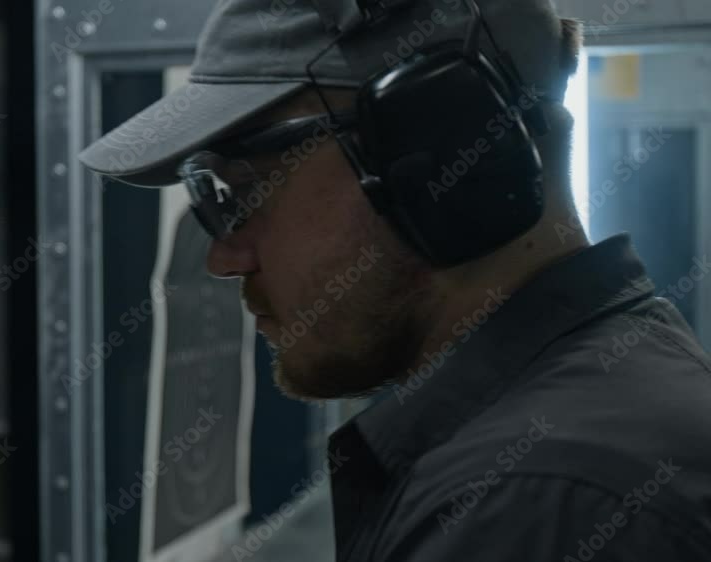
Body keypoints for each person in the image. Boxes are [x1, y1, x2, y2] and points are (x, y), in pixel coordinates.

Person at [79, 0, 711, 559]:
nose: (225, 257)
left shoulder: (534, 501)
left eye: (244, 192)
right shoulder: (593, 417)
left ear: (435, 155)